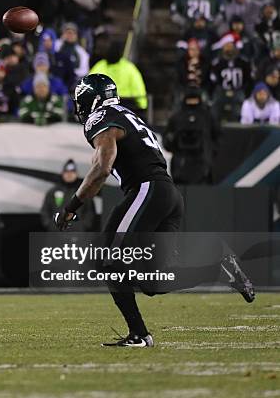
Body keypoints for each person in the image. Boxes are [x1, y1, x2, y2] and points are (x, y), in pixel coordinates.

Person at [55, 74, 254, 347]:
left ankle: (139, 334)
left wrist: (71, 207)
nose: (79, 107)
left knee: (108, 260)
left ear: (93, 99)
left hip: (147, 190)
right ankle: (217, 270)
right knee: (152, 282)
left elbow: (102, 169)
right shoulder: (126, 113)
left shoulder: (100, 118)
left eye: (81, 101)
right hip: (167, 194)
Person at [163, 88, 220, 184]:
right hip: (182, 165)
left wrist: (210, 151)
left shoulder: (207, 117)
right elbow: (167, 141)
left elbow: (218, 137)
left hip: (200, 165)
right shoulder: (177, 117)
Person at [89, 41, 148, 115]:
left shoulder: (99, 66)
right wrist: (142, 105)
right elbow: (138, 87)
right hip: (126, 105)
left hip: (104, 104)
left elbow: (89, 87)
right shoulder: (129, 67)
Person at [40, 159, 96, 232]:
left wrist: (83, 226)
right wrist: (50, 225)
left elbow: (90, 212)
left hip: (77, 235)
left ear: (76, 174)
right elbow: (45, 211)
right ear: (63, 174)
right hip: (56, 234)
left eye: (72, 172)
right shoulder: (53, 192)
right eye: (67, 172)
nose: (69, 174)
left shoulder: (83, 193)